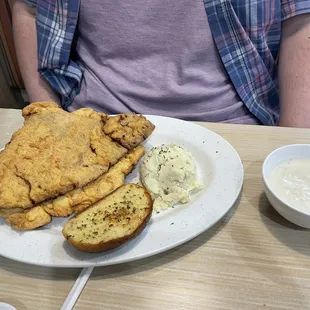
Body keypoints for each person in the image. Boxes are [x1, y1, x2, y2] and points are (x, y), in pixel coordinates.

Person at [12, 0, 310, 127]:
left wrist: (289, 146)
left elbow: (301, 18)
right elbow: (28, 6)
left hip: (237, 124)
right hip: (92, 123)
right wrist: (48, 123)